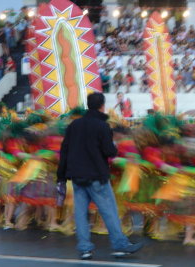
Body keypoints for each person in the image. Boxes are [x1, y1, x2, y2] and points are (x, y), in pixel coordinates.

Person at [57, 93, 143, 260]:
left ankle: (84, 249)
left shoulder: (74, 125)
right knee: (109, 210)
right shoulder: (102, 126)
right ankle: (120, 245)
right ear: (102, 106)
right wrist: (115, 148)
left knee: (81, 213)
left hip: (76, 176)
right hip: (96, 175)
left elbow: (64, 151)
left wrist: (61, 175)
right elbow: (109, 151)